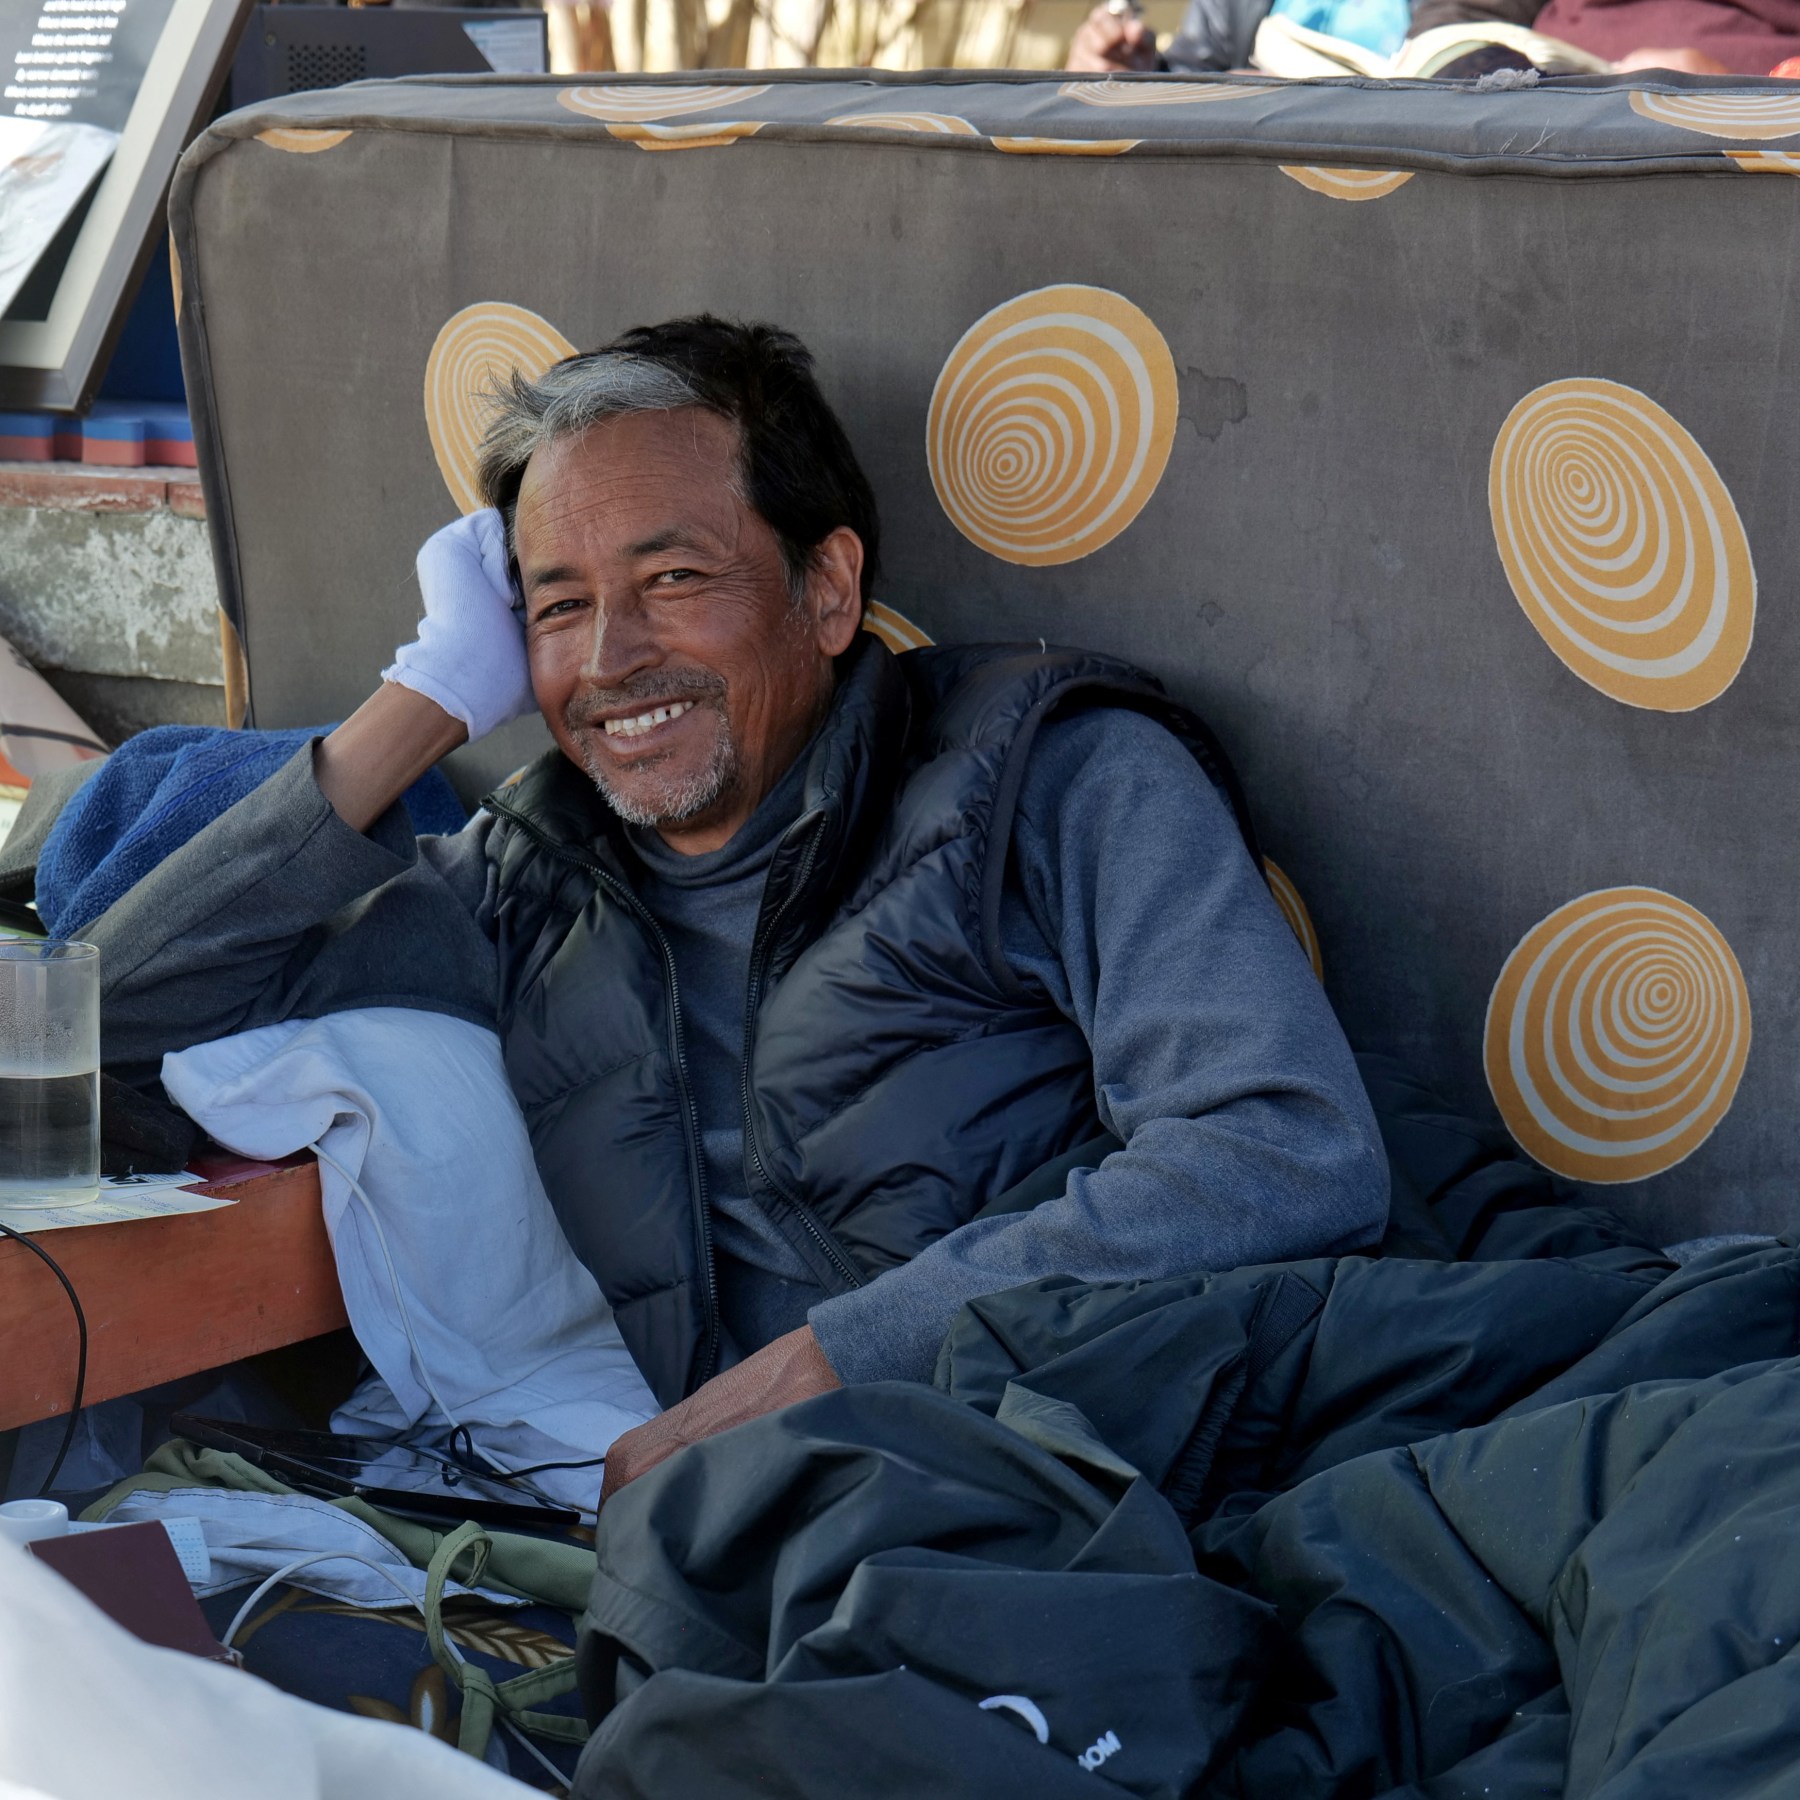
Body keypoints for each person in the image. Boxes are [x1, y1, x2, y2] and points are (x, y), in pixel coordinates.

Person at [74, 317, 1386, 1504]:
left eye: (674, 580)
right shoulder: (523, 883)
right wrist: (421, 703)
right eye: (559, 606)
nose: (611, 660)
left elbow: (1284, 1148)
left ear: (828, 590)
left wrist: (835, 1359)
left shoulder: (1059, 780)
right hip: (754, 1548)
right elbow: (90, 1031)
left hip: (1109, 1485)